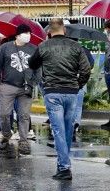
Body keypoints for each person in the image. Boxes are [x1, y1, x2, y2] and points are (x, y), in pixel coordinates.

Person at [29, 19, 91, 181]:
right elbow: (86, 70)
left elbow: (32, 64)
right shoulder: (76, 46)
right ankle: (63, 164)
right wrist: (78, 85)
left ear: (49, 32)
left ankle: (64, 167)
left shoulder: (43, 46)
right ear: (64, 30)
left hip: (52, 92)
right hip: (71, 92)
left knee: (58, 130)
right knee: (68, 129)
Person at [0, 24, 39, 153]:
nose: (28, 36)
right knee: (4, 114)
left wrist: (34, 83)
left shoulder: (33, 49)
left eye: (29, 33)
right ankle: (6, 135)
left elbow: (38, 68)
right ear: (18, 35)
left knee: (24, 115)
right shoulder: (5, 47)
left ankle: (23, 140)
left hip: (26, 87)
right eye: (26, 33)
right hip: (7, 85)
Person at [72, 44, 94, 139]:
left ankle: (68, 124)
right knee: (78, 105)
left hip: (67, 79)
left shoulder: (65, 49)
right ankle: (76, 124)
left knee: (68, 104)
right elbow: (91, 64)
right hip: (80, 78)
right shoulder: (84, 50)